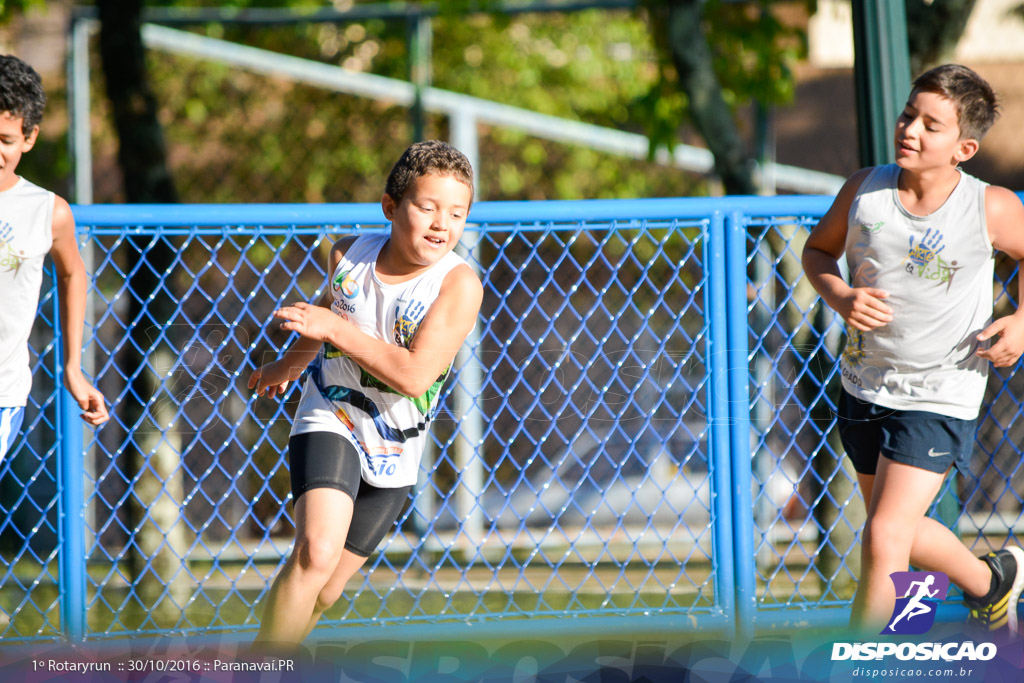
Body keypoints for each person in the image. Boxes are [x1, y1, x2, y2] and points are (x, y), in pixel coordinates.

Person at [802, 63, 1024, 634]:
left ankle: (863, 663)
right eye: (909, 115)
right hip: (864, 383)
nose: (910, 130)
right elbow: (817, 254)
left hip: (942, 389)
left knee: (883, 535)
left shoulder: (989, 207)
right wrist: (842, 296)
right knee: (896, 527)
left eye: (931, 124)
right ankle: (988, 583)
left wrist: (1022, 320)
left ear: (963, 148)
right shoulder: (863, 190)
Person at [247, 140, 483, 644]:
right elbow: (328, 312)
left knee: (327, 590)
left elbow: (415, 375)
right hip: (332, 412)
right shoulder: (349, 254)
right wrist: (288, 365)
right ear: (390, 207)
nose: (443, 224)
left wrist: (334, 328)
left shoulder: (458, 286)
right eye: (427, 207)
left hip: (397, 441)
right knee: (315, 552)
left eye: (457, 213)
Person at [0, 54, 108, 461]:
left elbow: (72, 274)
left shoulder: (48, 212)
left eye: (5, 140)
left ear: (28, 138)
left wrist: (72, 366)